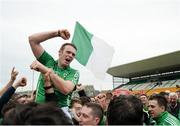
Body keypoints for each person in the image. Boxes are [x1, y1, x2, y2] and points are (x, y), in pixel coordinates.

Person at [29, 29, 79, 116]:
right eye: (68, 52)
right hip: (38, 110)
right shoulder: (48, 62)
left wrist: (44, 70)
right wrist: (57, 33)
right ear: (60, 52)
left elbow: (66, 89)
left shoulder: (73, 72)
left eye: (73, 54)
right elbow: (32, 40)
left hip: (59, 112)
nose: (70, 55)